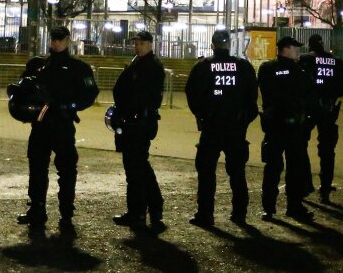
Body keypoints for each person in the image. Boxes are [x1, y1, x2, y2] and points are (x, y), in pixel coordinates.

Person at [15, 25, 99, 232]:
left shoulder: (78, 68)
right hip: (41, 124)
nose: (56, 43)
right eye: (54, 39)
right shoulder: (39, 66)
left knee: (67, 169)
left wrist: (70, 106)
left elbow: (90, 94)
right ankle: (37, 209)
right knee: (37, 168)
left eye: (60, 39)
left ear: (68, 40)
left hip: (62, 123)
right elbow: (24, 92)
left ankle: (66, 211)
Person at [184, 29, 259, 226]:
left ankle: (205, 214)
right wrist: (243, 121)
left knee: (206, 172)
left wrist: (201, 116)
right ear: (228, 45)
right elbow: (252, 99)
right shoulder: (243, 66)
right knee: (237, 172)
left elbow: (192, 94)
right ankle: (239, 214)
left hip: (212, 127)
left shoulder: (203, 66)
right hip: (236, 128)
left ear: (212, 45)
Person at [111, 30, 167, 232]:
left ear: (150, 44)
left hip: (139, 123)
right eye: (136, 43)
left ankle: (139, 212)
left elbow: (141, 96)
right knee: (138, 167)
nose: (137, 46)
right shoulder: (139, 63)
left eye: (141, 43)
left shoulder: (151, 66)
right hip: (133, 121)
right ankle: (151, 207)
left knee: (136, 169)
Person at [256, 35, 316, 222]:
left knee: (272, 168)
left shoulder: (266, 68)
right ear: (286, 49)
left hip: (273, 125)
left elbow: (265, 91)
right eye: (295, 48)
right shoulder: (299, 71)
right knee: (294, 168)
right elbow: (309, 95)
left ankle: (269, 208)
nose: (298, 51)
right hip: (293, 127)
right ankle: (294, 206)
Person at [298, 33, 343, 202]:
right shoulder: (335, 61)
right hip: (328, 109)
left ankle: (305, 183)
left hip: (308, 109)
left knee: (300, 145)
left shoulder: (304, 60)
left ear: (310, 45)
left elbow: (297, 83)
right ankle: (325, 188)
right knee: (327, 150)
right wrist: (331, 96)